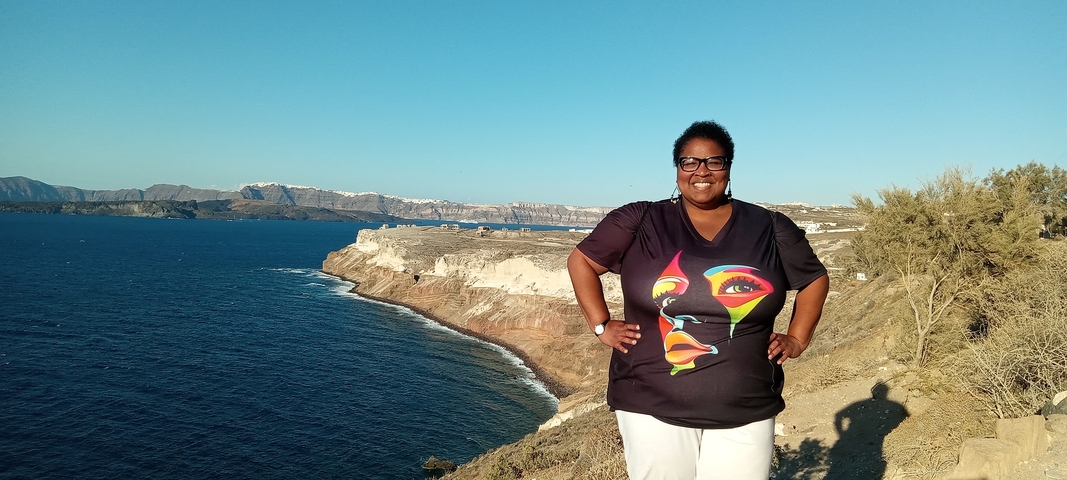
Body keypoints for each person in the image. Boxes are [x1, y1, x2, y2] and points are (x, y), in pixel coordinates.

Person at [567, 120, 830, 480]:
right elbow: (581, 260)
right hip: (650, 402)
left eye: (713, 162)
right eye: (689, 162)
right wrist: (601, 324)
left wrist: (798, 337)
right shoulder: (641, 218)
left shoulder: (769, 226)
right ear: (677, 168)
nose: (701, 172)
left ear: (729, 167)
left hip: (746, 405)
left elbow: (814, 278)